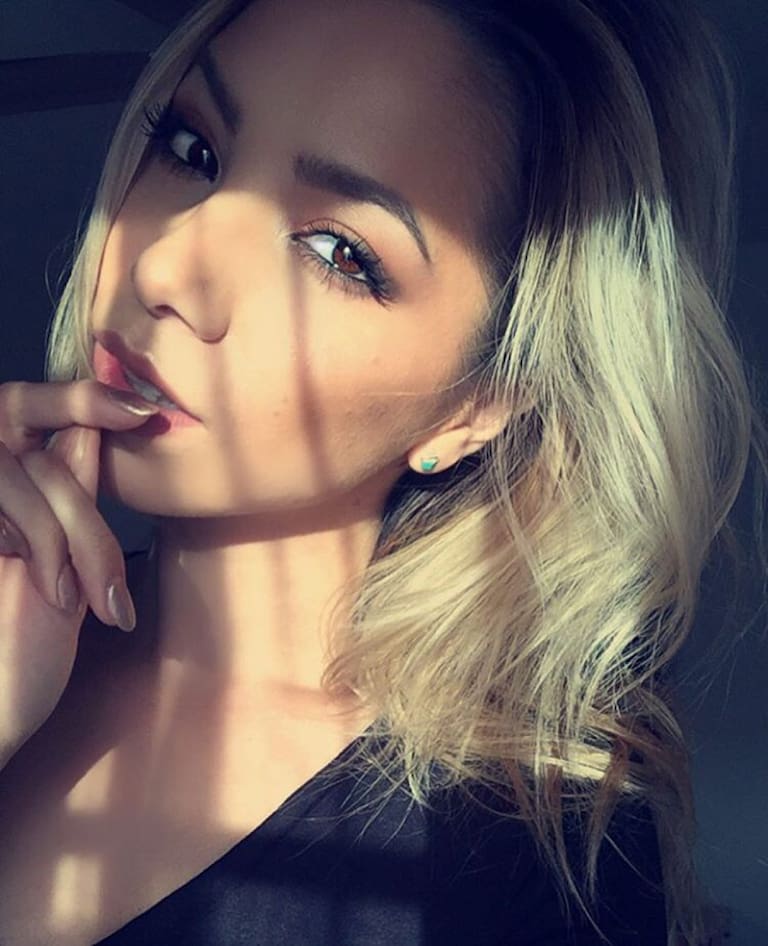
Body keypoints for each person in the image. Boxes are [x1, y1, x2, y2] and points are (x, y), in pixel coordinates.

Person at [0, 0, 765, 942]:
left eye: (340, 252)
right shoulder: (20, 626)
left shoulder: (522, 862)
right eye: (193, 150)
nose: (167, 267)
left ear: (477, 407)